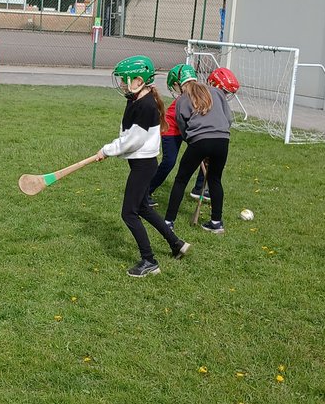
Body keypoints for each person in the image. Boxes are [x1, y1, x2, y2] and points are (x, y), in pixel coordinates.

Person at [95, 55, 191, 277]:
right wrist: (110, 150)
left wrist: (107, 150)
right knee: (144, 208)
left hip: (144, 166)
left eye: (124, 80)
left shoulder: (146, 105)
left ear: (138, 80)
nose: (121, 84)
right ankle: (176, 243)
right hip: (143, 164)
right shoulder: (137, 100)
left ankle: (149, 261)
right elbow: (128, 134)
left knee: (129, 213)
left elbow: (132, 140)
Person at [163, 67, 238, 235]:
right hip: (222, 140)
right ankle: (216, 223)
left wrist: (197, 146)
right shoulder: (217, 92)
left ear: (179, 85)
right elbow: (228, 119)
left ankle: (168, 221)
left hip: (199, 140)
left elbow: (184, 127)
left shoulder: (182, 99)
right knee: (215, 179)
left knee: (181, 180)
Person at [145, 64, 204, 208]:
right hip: (171, 130)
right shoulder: (183, 99)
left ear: (179, 83)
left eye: (175, 86)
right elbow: (181, 120)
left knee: (205, 154)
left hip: (187, 129)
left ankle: (199, 189)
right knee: (169, 162)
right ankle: (145, 192)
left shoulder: (199, 93)